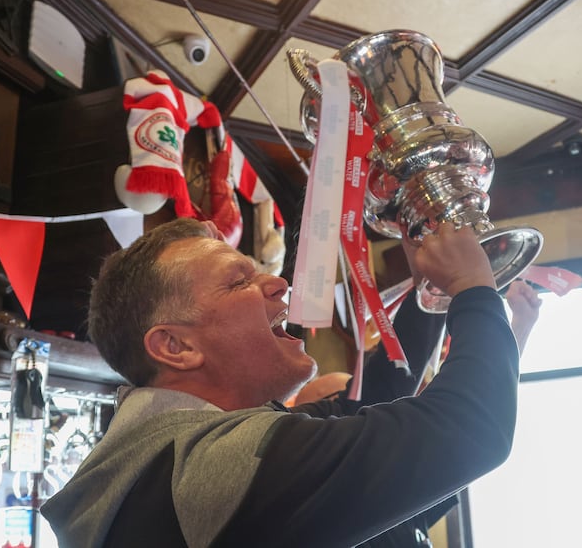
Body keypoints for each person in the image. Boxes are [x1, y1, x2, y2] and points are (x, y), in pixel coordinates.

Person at [41, 217, 521, 548]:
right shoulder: (213, 463)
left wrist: (428, 293)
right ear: (176, 347)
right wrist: (473, 290)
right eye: (238, 281)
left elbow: (374, 403)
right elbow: (470, 429)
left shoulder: (182, 448)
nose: (278, 284)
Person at [294, 278, 542, 547]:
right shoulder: (321, 477)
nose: (375, 414)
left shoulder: (399, 491)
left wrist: (520, 328)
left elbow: (462, 425)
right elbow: (468, 426)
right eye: (348, 400)